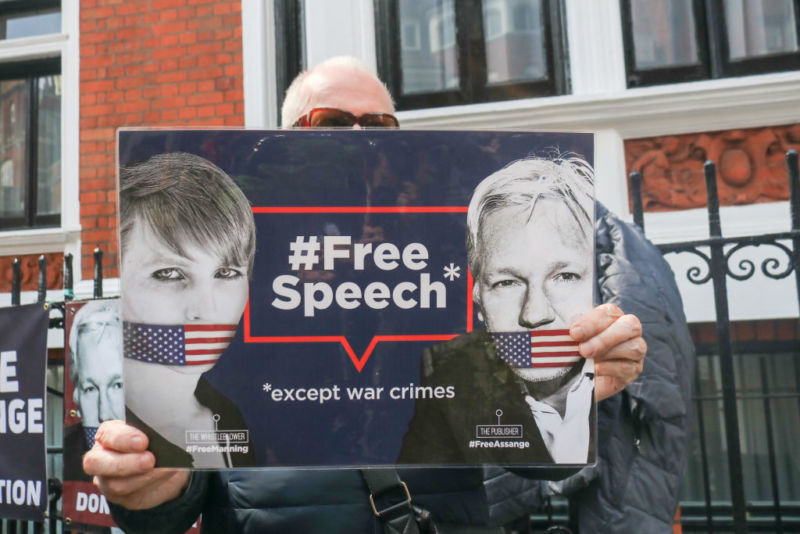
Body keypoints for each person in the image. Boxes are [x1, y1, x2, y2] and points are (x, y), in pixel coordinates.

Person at [87, 57, 664, 533]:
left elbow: (526, 457)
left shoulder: (450, 270)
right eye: (331, 122)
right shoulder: (220, 281)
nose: (359, 139)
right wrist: (148, 488)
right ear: (287, 143)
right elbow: (168, 496)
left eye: (379, 125)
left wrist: (574, 392)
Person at [398, 156, 598, 466]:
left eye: (565, 277)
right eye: (507, 283)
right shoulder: (447, 382)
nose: (534, 313)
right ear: (478, 297)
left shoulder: (640, 375)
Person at [118, 151, 256, 468]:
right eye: (169, 274)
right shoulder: (100, 426)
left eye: (227, 273)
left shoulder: (230, 418)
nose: (205, 310)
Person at [63, 299, 125, 482]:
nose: (104, 414)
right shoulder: (69, 451)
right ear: (77, 396)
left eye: (118, 385)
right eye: (90, 389)